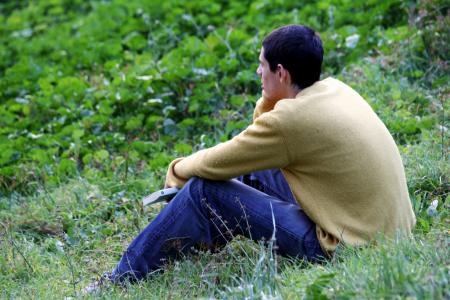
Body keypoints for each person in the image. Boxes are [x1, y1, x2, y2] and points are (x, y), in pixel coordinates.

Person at [108, 24, 416, 283]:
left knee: (204, 189)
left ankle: (122, 277)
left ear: (281, 73)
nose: (257, 71)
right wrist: (273, 98)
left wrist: (177, 169)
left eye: (262, 64)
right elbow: (251, 144)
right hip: (391, 233)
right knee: (251, 167)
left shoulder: (291, 122)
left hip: (346, 246)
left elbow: (219, 160)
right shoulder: (336, 89)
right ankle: (199, 238)